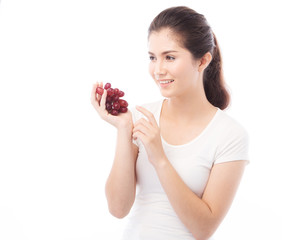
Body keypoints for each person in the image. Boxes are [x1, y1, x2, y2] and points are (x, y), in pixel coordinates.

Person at [90, 6, 250, 240]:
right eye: (153, 58)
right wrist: (124, 129)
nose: (158, 70)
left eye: (170, 57)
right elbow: (117, 208)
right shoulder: (139, 118)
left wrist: (160, 159)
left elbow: (203, 229)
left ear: (203, 60)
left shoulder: (230, 135)